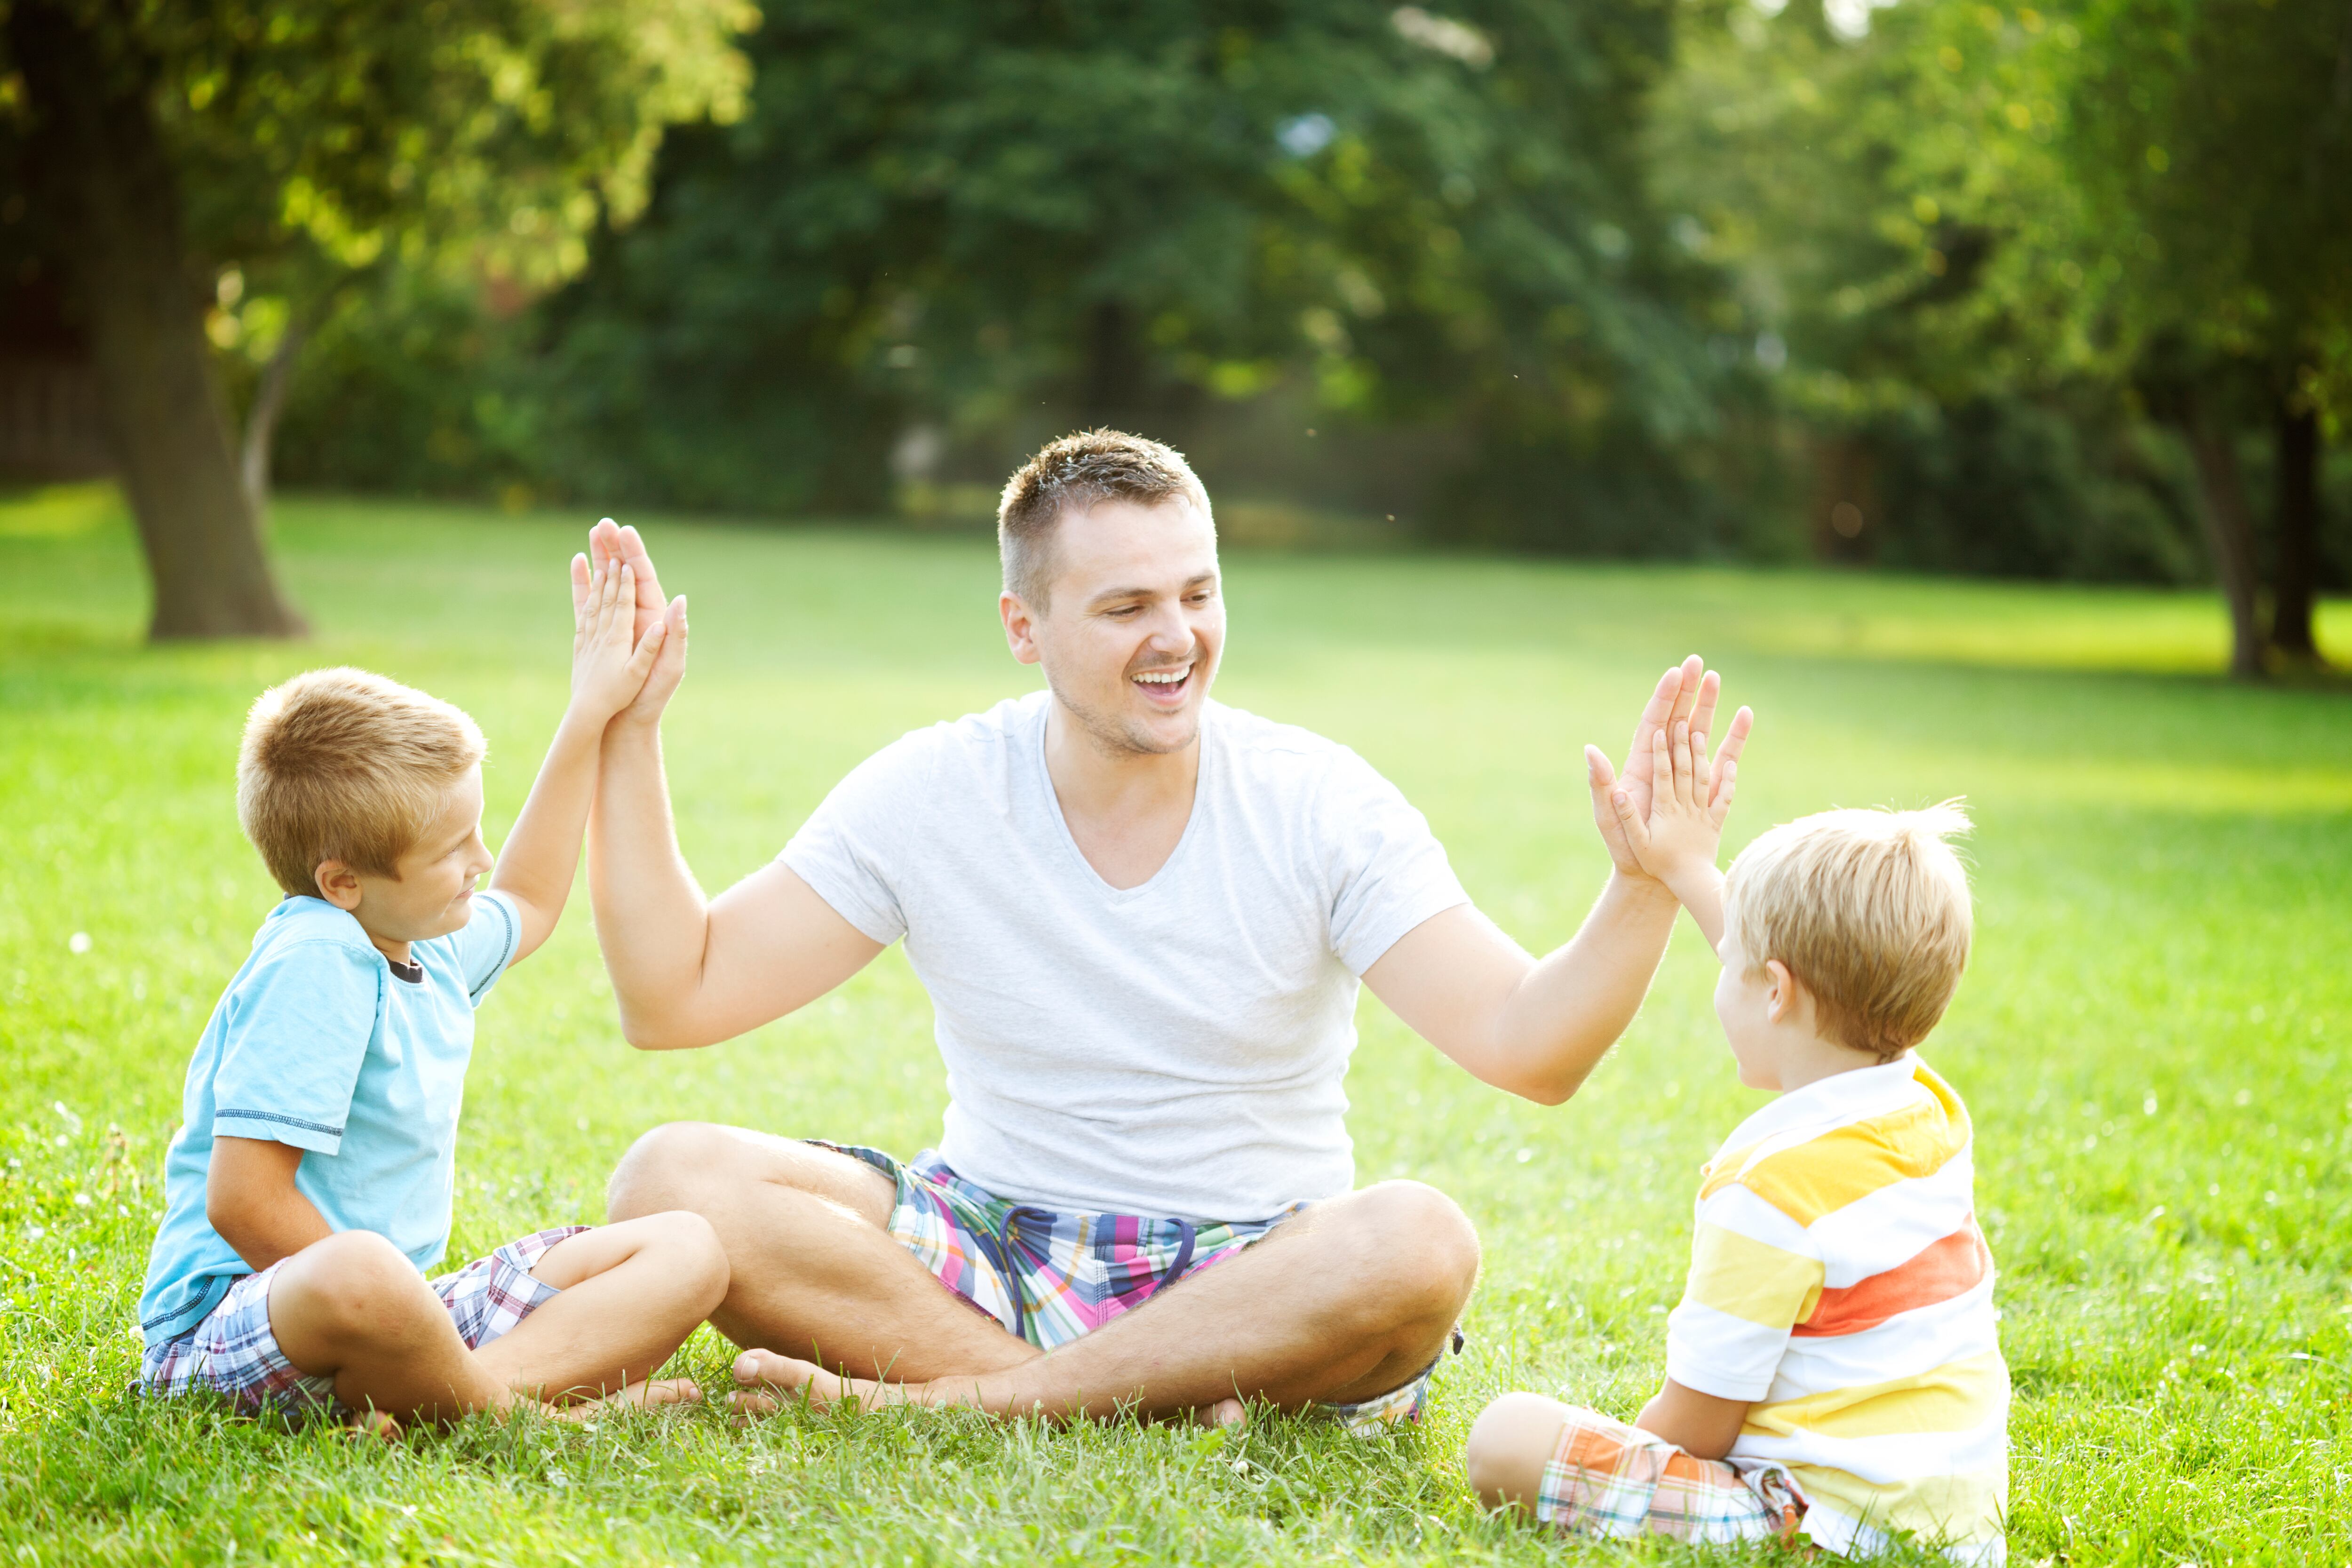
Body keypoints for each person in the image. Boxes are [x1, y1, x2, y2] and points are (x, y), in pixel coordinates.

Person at [585, 429, 1752, 1427]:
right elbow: (675, 995)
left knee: (1418, 1240)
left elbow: (1529, 1049)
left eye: (1198, 593)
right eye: (1127, 605)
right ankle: (1114, 1395)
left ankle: (979, 1401)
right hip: (992, 1244)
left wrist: (1644, 883)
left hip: (1258, 1270)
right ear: (1023, 626)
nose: (1178, 636)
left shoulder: (1318, 800)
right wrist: (628, 736)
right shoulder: (933, 789)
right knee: (671, 1176)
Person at [135, 557, 727, 1426]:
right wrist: (397, 1311)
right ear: (343, 881)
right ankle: (506, 1409)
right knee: (365, 1270)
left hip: (405, 1311)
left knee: (690, 1247)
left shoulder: (423, 938)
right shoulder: (317, 961)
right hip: (240, 1322)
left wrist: (591, 709)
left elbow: (526, 897)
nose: (480, 862)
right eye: (453, 850)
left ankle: (436, 1398)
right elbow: (243, 1201)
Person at [1464, 721, 2007, 1562]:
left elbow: (1699, 1425)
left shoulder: (1771, 1190)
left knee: (1506, 1438)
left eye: (1731, 963)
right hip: (1953, 1533)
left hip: (1815, 1530)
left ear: (1777, 991)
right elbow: (1806, 975)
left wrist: (1625, 1455)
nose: (1723, 969)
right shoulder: (1925, 1109)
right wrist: (1686, 865)